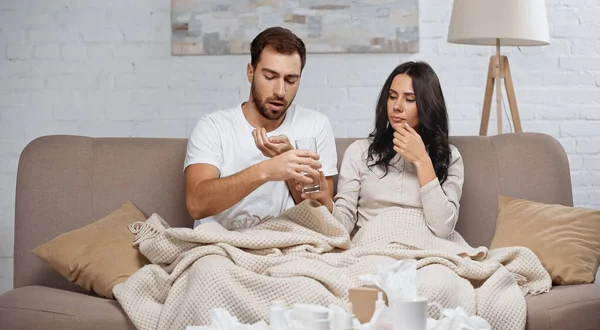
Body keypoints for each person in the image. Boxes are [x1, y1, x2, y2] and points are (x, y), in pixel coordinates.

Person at [184, 27, 338, 230]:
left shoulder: (315, 125)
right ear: (251, 72)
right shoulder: (214, 126)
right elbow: (197, 204)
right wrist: (266, 170)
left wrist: (292, 167)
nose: (280, 91)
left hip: (290, 245)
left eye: (291, 80)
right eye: (270, 77)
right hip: (221, 243)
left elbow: (322, 218)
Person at [299, 61, 464, 237]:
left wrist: (422, 160)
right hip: (372, 247)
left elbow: (443, 228)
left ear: (428, 105)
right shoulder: (359, 152)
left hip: (426, 249)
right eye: (392, 96)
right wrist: (325, 200)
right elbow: (343, 227)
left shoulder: (450, 156)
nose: (397, 106)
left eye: (409, 99)